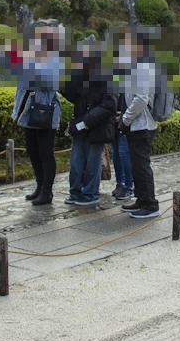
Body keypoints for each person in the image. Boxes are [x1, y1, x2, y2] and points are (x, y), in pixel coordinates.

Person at [6, 25, 64, 207]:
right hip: (28, 112)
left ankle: (47, 191)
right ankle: (39, 186)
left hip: (45, 110)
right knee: (32, 150)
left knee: (46, 153)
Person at [62, 40, 116, 207]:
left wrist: (88, 121)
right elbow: (69, 93)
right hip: (80, 124)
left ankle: (91, 193)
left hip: (96, 126)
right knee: (76, 160)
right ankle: (75, 191)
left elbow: (109, 104)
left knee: (92, 162)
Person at [119, 30, 160, 219]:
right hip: (137, 123)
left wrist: (126, 119)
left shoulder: (143, 66)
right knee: (137, 165)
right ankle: (141, 199)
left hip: (142, 123)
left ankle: (150, 204)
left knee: (142, 165)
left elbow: (141, 98)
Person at [110, 132, 134, 201]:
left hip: (124, 126)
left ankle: (128, 186)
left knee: (123, 153)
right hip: (115, 126)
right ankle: (120, 183)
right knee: (115, 154)